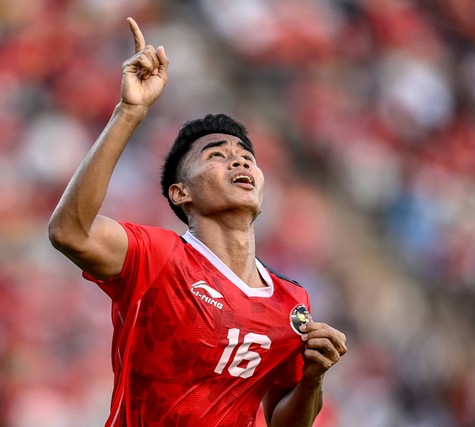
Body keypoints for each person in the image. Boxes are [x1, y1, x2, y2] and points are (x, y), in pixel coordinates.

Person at [48, 17, 347, 427]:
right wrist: (129, 112)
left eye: (245, 155)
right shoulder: (159, 258)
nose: (239, 159)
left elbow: (282, 422)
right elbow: (69, 232)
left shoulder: (291, 303)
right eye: (216, 155)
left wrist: (313, 379)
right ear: (180, 193)